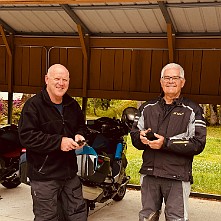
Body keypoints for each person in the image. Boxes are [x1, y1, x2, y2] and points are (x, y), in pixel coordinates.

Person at [130, 63, 207, 221]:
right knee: (147, 217)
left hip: (177, 176)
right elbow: (134, 136)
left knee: (176, 218)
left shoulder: (193, 110)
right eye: (167, 77)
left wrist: (166, 143)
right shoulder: (147, 107)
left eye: (175, 78)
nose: (170, 81)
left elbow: (198, 143)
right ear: (161, 81)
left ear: (182, 82)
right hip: (150, 173)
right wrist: (141, 138)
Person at [18, 64, 87, 221]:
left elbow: (82, 127)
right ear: (47, 79)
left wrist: (79, 135)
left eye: (65, 80)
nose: (61, 83)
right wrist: (59, 142)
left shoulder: (72, 105)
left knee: (78, 215)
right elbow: (26, 136)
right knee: (47, 218)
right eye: (57, 78)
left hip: (69, 174)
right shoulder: (33, 106)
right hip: (44, 177)